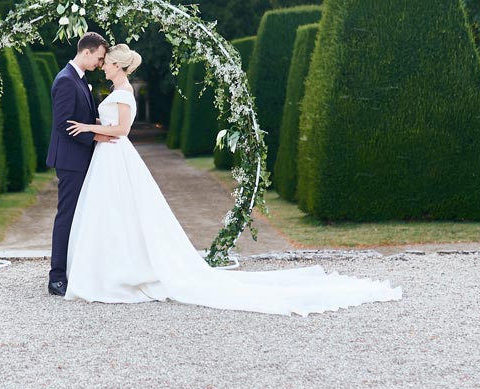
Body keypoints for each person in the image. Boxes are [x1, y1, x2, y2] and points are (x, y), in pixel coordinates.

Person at [62, 43, 402, 315]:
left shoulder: (123, 93)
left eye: (107, 62)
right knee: (112, 214)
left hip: (116, 156)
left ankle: (116, 272)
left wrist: (90, 128)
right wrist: (96, 133)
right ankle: (109, 266)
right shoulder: (116, 90)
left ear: (118, 66)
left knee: (118, 211)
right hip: (109, 158)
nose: (103, 65)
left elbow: (121, 130)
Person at [44, 32, 113, 297]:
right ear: (86, 52)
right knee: (67, 216)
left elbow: (81, 117)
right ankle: (56, 277)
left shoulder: (80, 79)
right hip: (71, 160)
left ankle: (74, 269)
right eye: (98, 58)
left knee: (80, 215)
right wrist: (98, 136)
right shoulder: (65, 80)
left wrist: (101, 126)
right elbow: (63, 124)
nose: (99, 63)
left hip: (81, 158)